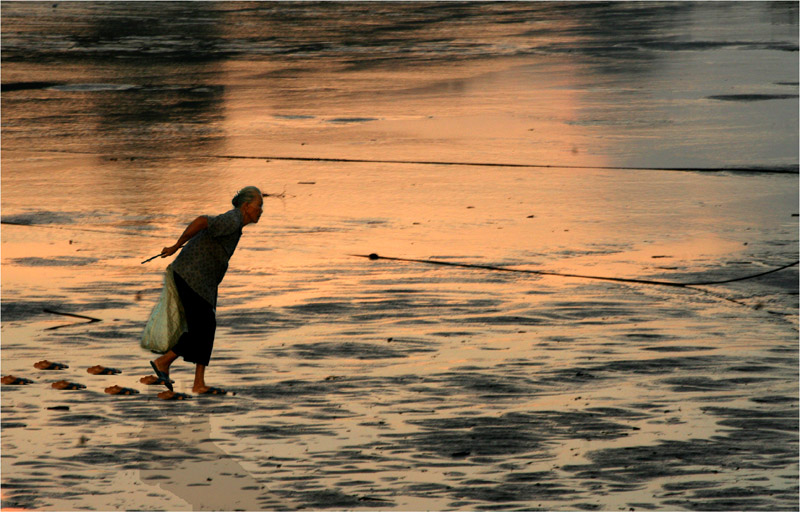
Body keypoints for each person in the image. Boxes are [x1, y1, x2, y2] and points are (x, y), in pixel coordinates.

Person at [149, 186, 263, 395]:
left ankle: (198, 383)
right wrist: (176, 245)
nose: (261, 210)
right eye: (259, 205)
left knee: (206, 328)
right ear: (246, 206)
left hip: (204, 282)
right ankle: (164, 362)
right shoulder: (233, 219)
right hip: (191, 276)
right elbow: (202, 221)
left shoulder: (236, 224)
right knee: (201, 327)